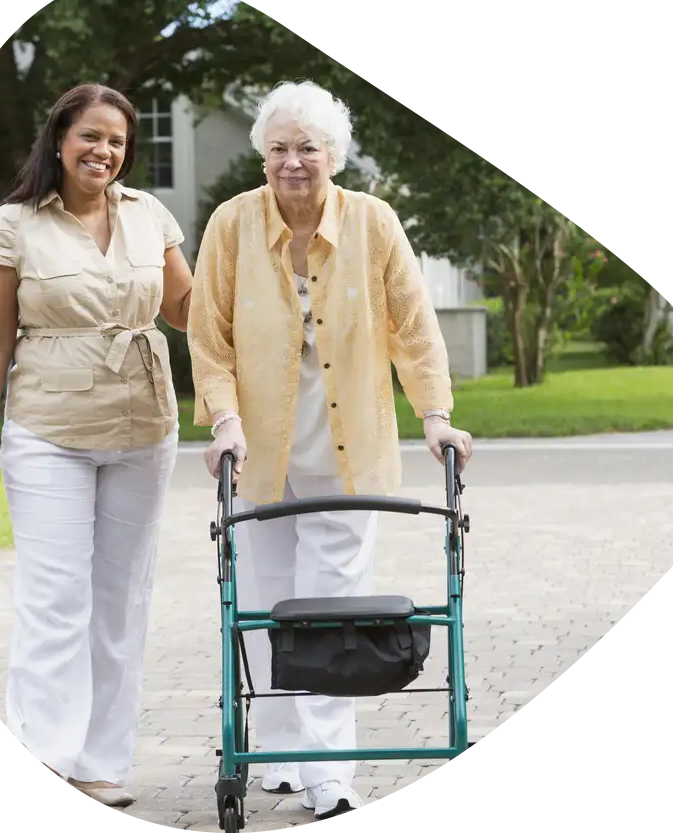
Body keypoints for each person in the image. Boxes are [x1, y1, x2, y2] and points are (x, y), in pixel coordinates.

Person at [187, 80, 473, 821]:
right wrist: (222, 421)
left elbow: (414, 328)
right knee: (264, 609)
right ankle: (280, 753)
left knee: (330, 616)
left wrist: (435, 417)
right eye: (278, 148)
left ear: (333, 155)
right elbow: (208, 336)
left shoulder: (373, 223)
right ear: (262, 155)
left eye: (306, 147)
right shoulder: (231, 225)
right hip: (259, 451)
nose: (291, 162)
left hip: (351, 454)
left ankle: (327, 774)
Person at [0, 83, 193, 809]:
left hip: (144, 426)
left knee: (122, 599)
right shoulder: (11, 225)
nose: (104, 151)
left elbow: (187, 308)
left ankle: (99, 760)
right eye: (91, 136)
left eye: (117, 141)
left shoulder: (148, 215)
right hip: (48, 430)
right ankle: (43, 753)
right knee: (55, 597)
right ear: (59, 138)